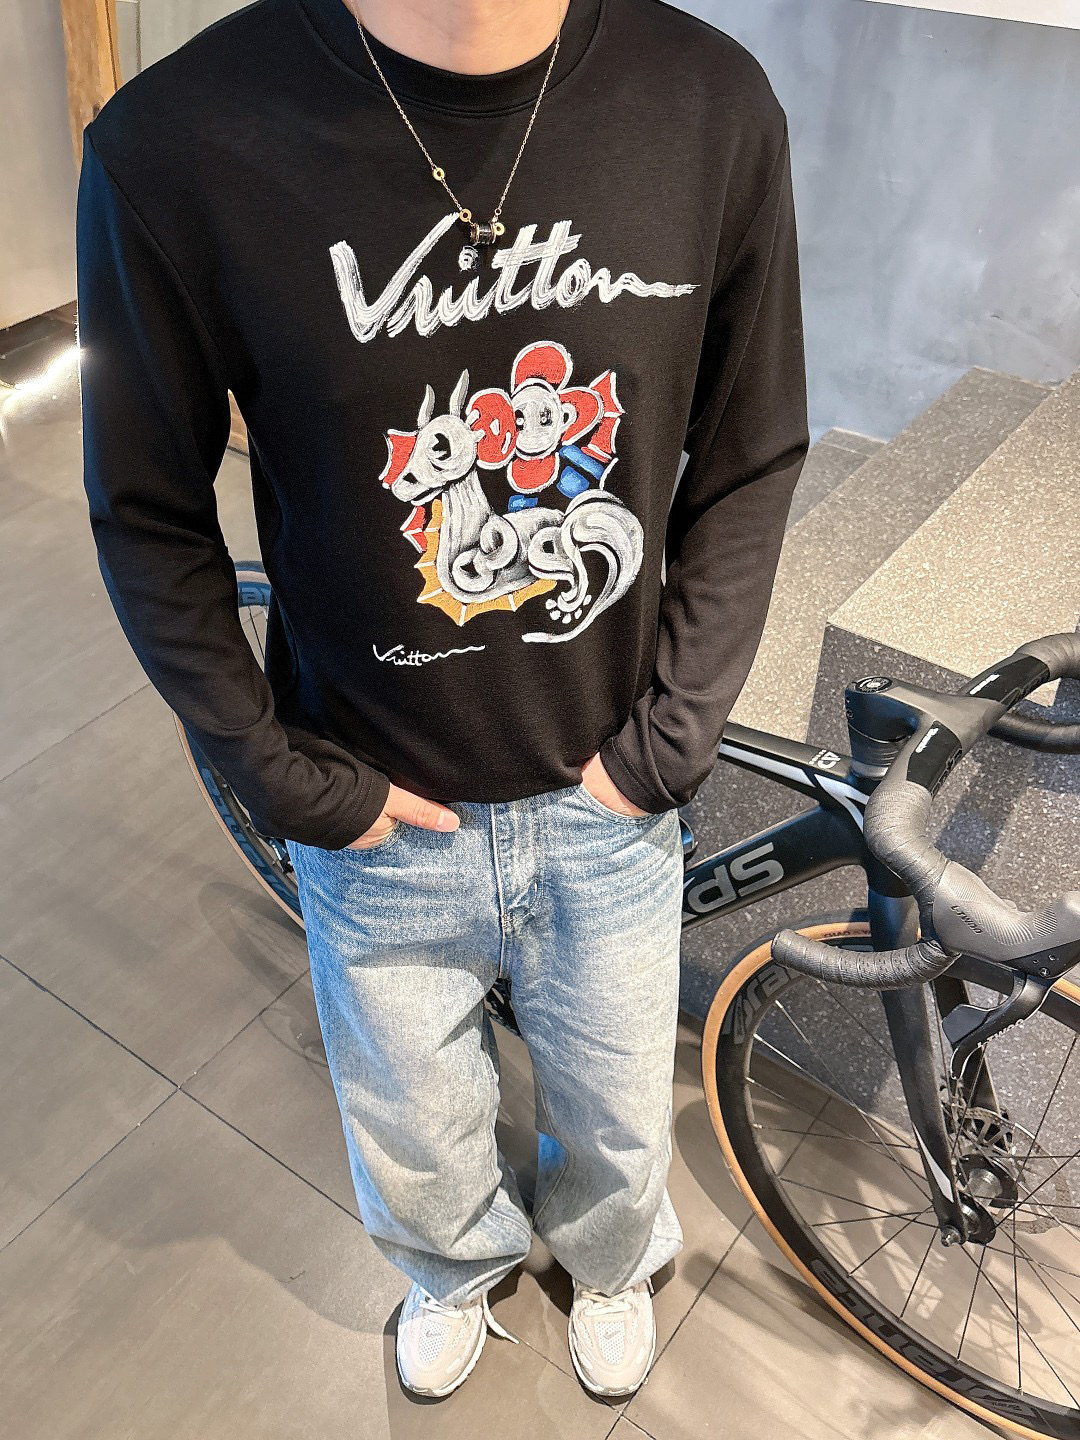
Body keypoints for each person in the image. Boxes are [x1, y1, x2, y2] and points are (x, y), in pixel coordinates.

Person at [75, 0, 809, 1401]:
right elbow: (146, 511)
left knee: (617, 1097)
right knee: (407, 1113)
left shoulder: (710, 106)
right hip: (371, 803)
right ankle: (453, 1266)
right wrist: (275, 772)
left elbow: (752, 446)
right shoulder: (175, 144)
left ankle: (609, 1258)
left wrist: (668, 744)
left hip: (607, 789)